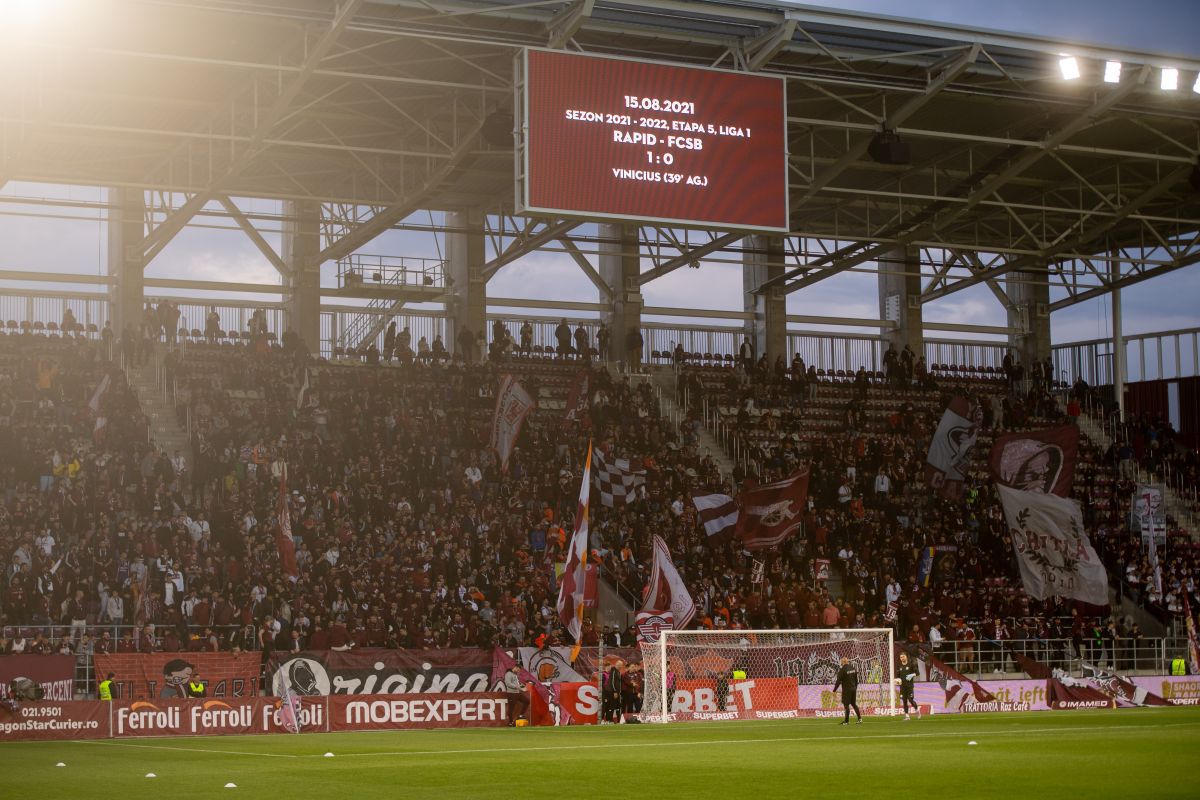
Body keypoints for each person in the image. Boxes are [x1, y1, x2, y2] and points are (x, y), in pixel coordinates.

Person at [833, 656, 862, 725]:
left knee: (846, 705)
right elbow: (856, 680)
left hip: (847, 690)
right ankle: (860, 719)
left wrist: (834, 690)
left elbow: (838, 681)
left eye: (841, 662)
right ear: (847, 661)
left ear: (842, 662)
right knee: (854, 704)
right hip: (853, 689)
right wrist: (855, 688)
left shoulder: (842, 670)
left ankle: (846, 721)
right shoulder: (852, 668)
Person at [895, 652, 919, 720]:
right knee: (904, 701)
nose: (902, 658)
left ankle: (916, 709)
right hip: (902, 687)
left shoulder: (911, 664)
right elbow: (897, 676)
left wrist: (912, 675)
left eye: (903, 657)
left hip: (909, 686)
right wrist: (896, 681)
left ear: (906, 657)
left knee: (910, 700)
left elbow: (917, 673)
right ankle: (907, 716)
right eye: (901, 657)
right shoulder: (899, 666)